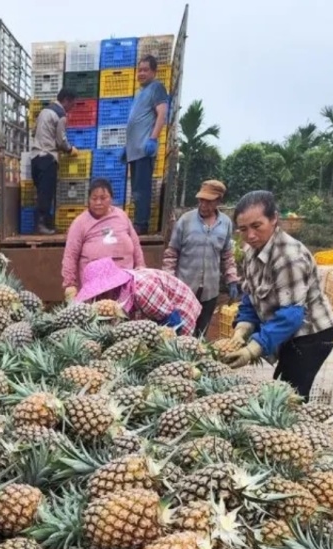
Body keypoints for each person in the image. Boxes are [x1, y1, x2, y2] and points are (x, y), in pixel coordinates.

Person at [218, 190, 333, 399]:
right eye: (243, 229)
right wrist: (242, 329)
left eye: (257, 226)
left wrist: (252, 350)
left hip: (311, 334)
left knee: (288, 395)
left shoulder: (289, 257)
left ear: (274, 218)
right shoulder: (251, 252)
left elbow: (291, 316)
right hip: (288, 331)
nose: (250, 235)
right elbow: (250, 296)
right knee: (281, 386)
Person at [163, 179, 240, 338]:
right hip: (185, 289)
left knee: (201, 333)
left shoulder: (225, 223)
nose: (203, 204)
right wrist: (168, 280)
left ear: (218, 200)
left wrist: (232, 278)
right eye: (201, 200)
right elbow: (172, 252)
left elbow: (227, 255)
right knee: (180, 332)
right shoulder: (185, 220)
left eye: (209, 201)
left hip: (210, 291)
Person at [62, 178, 145, 302]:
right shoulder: (80, 223)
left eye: (103, 198)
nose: (98, 202)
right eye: (94, 198)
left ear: (111, 198)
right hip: (95, 287)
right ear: (89, 200)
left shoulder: (121, 216)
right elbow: (70, 255)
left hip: (125, 282)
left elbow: (136, 245)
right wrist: (69, 283)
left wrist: (141, 266)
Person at [75, 256, 201, 334]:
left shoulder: (142, 290)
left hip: (180, 305)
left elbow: (173, 319)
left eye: (101, 292)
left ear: (112, 286)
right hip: (157, 307)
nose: (98, 298)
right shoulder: (112, 294)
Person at [124, 55, 169, 235]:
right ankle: (138, 222)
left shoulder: (156, 88)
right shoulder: (139, 93)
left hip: (144, 150)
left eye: (145, 70)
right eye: (139, 70)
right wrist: (127, 147)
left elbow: (162, 113)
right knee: (136, 191)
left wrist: (153, 138)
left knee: (142, 190)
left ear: (154, 72)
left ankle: (141, 225)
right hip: (134, 151)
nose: (141, 73)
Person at [31, 88, 78, 235]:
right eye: (72, 104)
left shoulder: (44, 112)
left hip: (35, 158)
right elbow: (61, 140)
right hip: (48, 158)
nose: (73, 108)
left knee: (40, 193)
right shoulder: (60, 114)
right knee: (46, 194)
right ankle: (41, 227)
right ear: (66, 100)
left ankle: (47, 225)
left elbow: (34, 132)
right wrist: (70, 150)